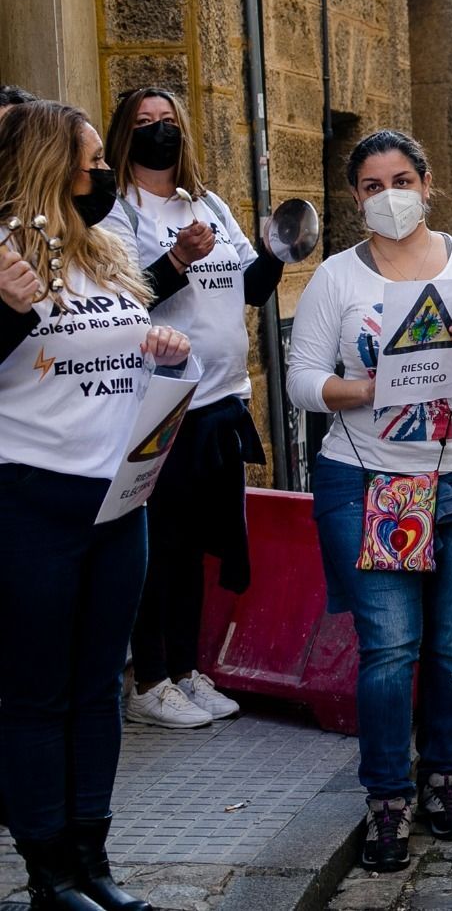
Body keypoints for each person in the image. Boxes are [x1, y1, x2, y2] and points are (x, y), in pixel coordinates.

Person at [286, 129, 452, 873]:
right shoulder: (336, 278)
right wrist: (362, 390)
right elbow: (302, 379)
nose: (388, 195)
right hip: (372, 478)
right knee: (390, 648)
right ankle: (387, 799)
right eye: (370, 185)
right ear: (356, 198)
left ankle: (442, 781)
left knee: (449, 643)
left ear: (427, 184)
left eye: (401, 179)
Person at [0, 100, 191, 911]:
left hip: (120, 501)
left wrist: (166, 352)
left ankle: (93, 855)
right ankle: (48, 872)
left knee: (98, 685)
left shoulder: (109, 253)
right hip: (31, 499)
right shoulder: (4, 254)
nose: (102, 173)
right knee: (37, 693)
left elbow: (122, 363)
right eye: (89, 162)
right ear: (47, 166)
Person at [102, 86, 285, 730]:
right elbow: (125, 299)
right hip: (163, 402)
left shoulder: (206, 203)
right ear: (124, 135)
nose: (160, 132)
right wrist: (180, 256)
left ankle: (184, 668)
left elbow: (249, 287)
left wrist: (278, 250)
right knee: (163, 548)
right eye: (145, 123)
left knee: (198, 551)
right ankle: (147, 678)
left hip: (220, 401)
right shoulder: (117, 210)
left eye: (169, 121)